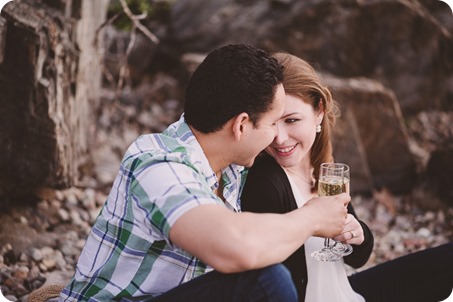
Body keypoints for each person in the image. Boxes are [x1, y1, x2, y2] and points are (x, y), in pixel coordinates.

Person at [59, 44, 351, 302]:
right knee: (265, 280)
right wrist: (313, 217)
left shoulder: (231, 163)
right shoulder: (159, 164)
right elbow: (237, 248)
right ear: (241, 126)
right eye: (274, 123)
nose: (277, 137)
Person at [241, 52, 453, 302]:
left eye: (291, 120)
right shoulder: (265, 182)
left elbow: (357, 257)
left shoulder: (324, 169)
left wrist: (357, 234)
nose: (280, 138)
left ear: (319, 112)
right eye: (271, 122)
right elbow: (269, 281)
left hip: (345, 291)